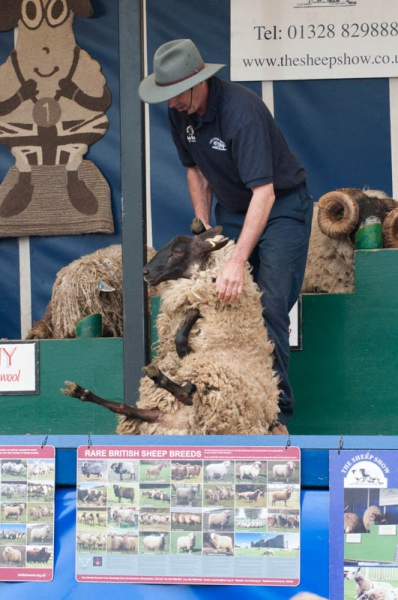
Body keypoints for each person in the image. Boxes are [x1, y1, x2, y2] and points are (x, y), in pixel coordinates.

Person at [139, 39, 313, 435]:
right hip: (232, 212)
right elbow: (195, 170)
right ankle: (218, 402)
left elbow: (264, 193)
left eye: (174, 94)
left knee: (267, 306)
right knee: (217, 302)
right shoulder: (178, 112)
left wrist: (236, 261)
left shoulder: (241, 111)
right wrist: (202, 228)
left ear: (197, 82)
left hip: (281, 207)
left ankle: (273, 414)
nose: (169, 103)